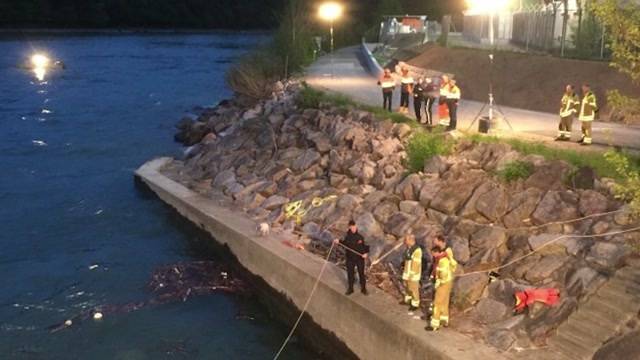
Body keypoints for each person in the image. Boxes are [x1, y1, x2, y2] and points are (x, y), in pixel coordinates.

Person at [427, 235, 457, 331]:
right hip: (447, 281)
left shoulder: (444, 257)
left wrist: (439, 281)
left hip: (443, 282)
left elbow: (443, 271)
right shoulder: (442, 255)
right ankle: (444, 319)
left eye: (435, 241)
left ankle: (435, 323)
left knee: (437, 302)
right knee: (444, 301)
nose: (434, 243)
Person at [334, 220, 369, 295]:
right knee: (350, 273)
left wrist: (365, 254)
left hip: (360, 258)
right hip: (350, 258)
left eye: (354, 227)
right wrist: (338, 242)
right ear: (349, 227)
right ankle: (350, 288)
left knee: (361, 273)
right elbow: (343, 244)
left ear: (356, 226)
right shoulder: (347, 237)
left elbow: (366, 247)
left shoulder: (360, 237)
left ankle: (363, 288)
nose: (353, 228)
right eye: (352, 227)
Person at [401, 233, 422, 313]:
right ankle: (408, 299)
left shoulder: (417, 250)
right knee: (407, 287)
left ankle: (415, 304)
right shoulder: (409, 248)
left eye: (406, 240)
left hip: (413, 274)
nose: (405, 241)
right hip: (407, 271)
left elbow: (416, 263)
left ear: (410, 240)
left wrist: (412, 274)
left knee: (413, 289)